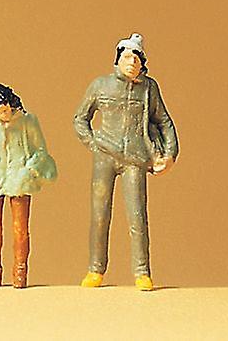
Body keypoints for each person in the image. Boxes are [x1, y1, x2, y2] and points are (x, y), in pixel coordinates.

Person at [73, 33, 179, 291]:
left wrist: (170, 154)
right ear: (117, 59)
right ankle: (95, 269)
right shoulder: (100, 85)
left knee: (137, 216)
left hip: (135, 158)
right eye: (128, 57)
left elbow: (164, 121)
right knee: (99, 215)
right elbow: (80, 118)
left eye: (137, 59)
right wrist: (93, 144)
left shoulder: (149, 88)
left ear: (142, 63)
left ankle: (142, 272)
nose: (132, 63)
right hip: (105, 157)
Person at [0, 84, 56, 288]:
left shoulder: (28, 120)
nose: (5, 115)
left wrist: (29, 169)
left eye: (7, 110)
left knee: (20, 228)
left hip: (19, 177)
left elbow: (40, 149)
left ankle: (20, 271)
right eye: (0, 111)